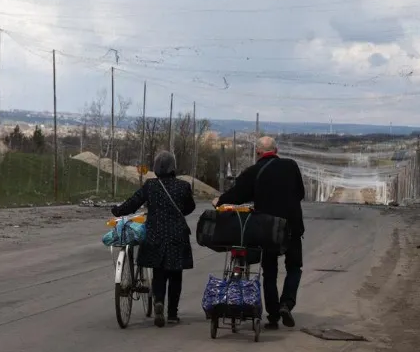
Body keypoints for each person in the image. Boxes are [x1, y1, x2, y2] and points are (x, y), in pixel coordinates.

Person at [212, 136, 305, 330]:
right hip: (292, 227)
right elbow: (301, 193)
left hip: (268, 229)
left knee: (269, 272)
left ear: (258, 153)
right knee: (294, 267)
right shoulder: (291, 166)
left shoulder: (253, 172)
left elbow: (237, 195)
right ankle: (286, 304)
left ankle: (272, 316)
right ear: (276, 150)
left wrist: (219, 201)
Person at [111, 150, 195, 327]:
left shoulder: (150, 186)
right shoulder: (183, 187)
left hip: (155, 235)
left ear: (156, 168)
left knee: (159, 272)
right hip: (176, 235)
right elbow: (189, 207)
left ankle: (158, 302)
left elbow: (133, 203)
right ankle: (172, 314)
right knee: (175, 275)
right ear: (173, 167)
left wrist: (118, 211)